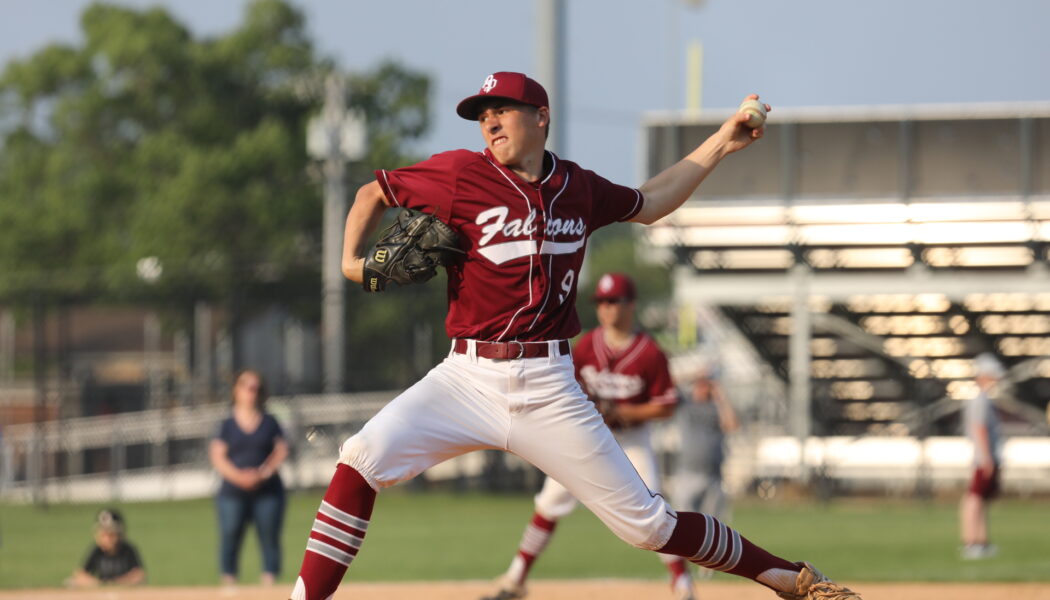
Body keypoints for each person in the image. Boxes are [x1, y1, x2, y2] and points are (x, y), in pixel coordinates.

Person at [288, 71, 860, 600]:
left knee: (649, 526)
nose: (489, 121)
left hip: (549, 384)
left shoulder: (577, 187)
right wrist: (350, 264)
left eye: (502, 110)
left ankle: (788, 578)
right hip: (466, 377)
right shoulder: (462, 174)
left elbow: (652, 202)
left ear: (541, 117)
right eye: (482, 112)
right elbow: (373, 193)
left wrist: (720, 142)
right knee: (361, 458)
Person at [482, 272, 695, 600]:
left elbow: (666, 406)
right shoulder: (587, 346)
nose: (607, 308)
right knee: (550, 502)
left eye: (614, 301)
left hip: (632, 440)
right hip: (585, 436)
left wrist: (623, 413)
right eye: (602, 302)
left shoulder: (649, 351)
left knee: (653, 506)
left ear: (631, 305)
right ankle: (516, 577)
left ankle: (682, 582)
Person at [209, 369, 290, 586]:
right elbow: (217, 455)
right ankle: (229, 580)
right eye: (247, 387)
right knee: (230, 534)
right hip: (233, 491)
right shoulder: (227, 424)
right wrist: (239, 477)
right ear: (236, 390)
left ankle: (268, 581)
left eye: (256, 388)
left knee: (269, 535)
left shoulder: (270, 421)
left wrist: (262, 473)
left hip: (267, 490)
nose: (251, 393)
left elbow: (281, 450)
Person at [675, 362, 739, 572]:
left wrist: (719, 393)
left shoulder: (716, 407)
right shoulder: (685, 404)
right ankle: (682, 567)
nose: (703, 388)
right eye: (700, 385)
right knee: (681, 524)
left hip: (713, 475)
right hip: (687, 474)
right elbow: (670, 383)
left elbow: (731, 425)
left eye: (706, 385)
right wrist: (693, 374)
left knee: (714, 526)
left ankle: (709, 566)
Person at [959, 353, 1004, 560]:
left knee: (981, 499)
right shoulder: (980, 401)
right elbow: (979, 429)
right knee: (974, 499)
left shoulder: (984, 399)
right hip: (983, 458)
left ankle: (981, 542)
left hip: (984, 456)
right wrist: (986, 457)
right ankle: (972, 542)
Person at [67, 508, 146, 587]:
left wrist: (115, 583)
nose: (107, 539)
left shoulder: (128, 550)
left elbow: (139, 575)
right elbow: (80, 574)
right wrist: (98, 583)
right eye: (103, 534)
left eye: (111, 534)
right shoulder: (97, 551)